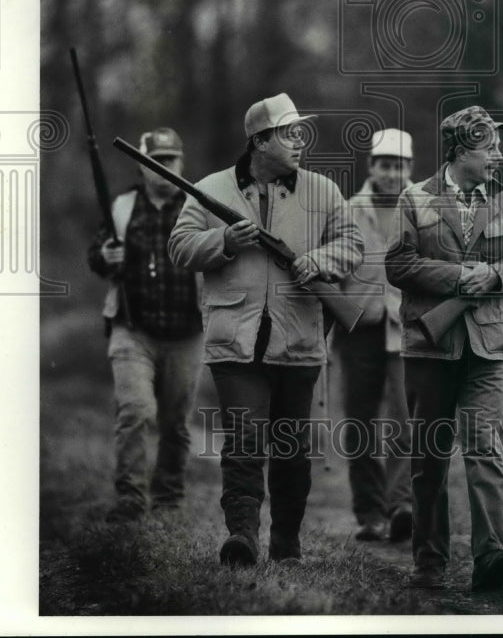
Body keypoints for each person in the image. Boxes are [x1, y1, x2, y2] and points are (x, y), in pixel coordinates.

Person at [168, 93, 364, 566]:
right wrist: (223, 241)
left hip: (297, 338)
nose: (300, 141)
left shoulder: (322, 191)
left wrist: (317, 260)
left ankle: (287, 544)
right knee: (243, 442)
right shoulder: (209, 189)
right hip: (234, 340)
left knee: (292, 450)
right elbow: (179, 248)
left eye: (300, 132)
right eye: (289, 132)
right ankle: (243, 537)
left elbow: (352, 244)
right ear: (259, 140)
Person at [385, 106, 503, 592]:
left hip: (488, 346)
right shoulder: (415, 198)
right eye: (488, 146)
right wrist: (456, 278)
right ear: (457, 151)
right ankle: (428, 565)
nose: (497, 155)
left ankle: (492, 556)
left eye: (497, 145)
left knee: (484, 449)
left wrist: (492, 276)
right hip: (431, 345)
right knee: (429, 457)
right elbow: (398, 264)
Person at [88, 127, 203, 523]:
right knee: (135, 410)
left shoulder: (198, 206)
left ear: (181, 163)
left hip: (188, 332)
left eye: (172, 159)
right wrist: (107, 255)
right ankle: (131, 499)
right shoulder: (121, 206)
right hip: (132, 329)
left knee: (176, 422)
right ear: (142, 165)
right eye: (157, 160)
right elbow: (96, 256)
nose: (165, 167)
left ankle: (169, 498)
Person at [333, 128, 414, 543]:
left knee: (405, 419)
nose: (392, 174)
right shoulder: (346, 210)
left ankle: (401, 504)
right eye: (385, 165)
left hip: (408, 329)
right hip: (358, 328)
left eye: (399, 166)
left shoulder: (425, 208)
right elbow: (331, 270)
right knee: (360, 422)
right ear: (371, 167)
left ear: (410, 169)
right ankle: (369, 513)